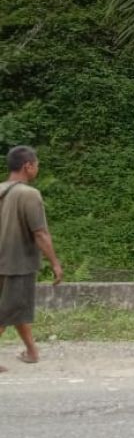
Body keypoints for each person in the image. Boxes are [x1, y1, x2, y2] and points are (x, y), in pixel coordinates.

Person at [0, 146, 63, 372]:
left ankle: (32, 352)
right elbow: (40, 233)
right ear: (28, 166)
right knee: (8, 311)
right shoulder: (29, 194)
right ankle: (32, 352)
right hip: (18, 263)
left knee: (17, 308)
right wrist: (55, 263)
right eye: (36, 165)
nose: (37, 168)